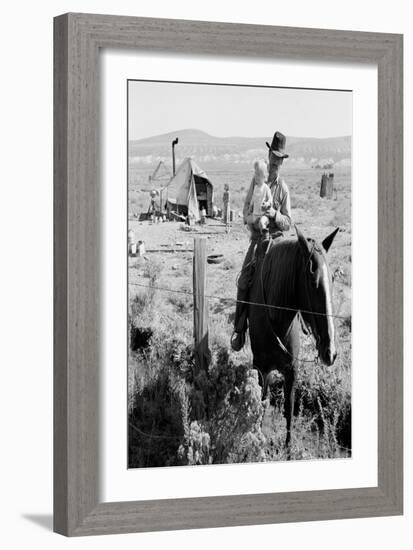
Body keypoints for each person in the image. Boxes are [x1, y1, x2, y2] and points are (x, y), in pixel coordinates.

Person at [231, 131, 292, 352]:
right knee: (244, 279)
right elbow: (245, 210)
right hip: (258, 241)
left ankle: (306, 329)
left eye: (279, 159)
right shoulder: (256, 182)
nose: (274, 163)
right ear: (268, 155)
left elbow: (288, 223)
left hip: (276, 242)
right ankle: (239, 329)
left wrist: (275, 214)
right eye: (272, 157)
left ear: (282, 161)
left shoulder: (283, 189)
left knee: (296, 282)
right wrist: (252, 219)